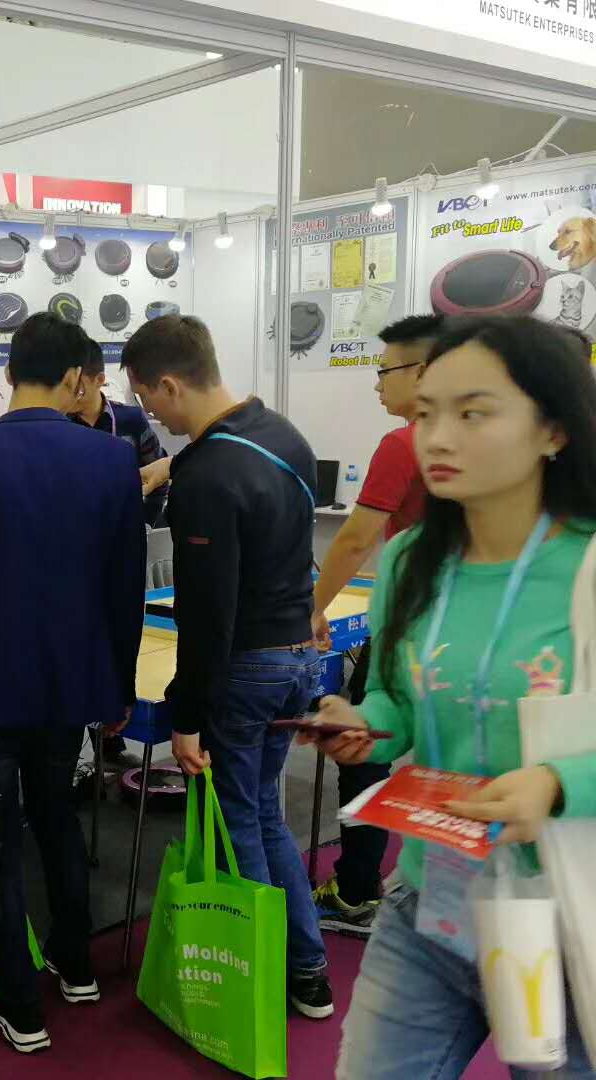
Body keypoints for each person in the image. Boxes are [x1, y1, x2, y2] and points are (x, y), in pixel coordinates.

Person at [308, 316, 596, 1079]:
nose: (437, 438)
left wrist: (559, 782)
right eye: (427, 413)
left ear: (554, 429)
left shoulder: (588, 564)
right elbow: (396, 699)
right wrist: (363, 723)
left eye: (473, 413)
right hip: (428, 899)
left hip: (566, 910)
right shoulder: (410, 559)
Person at [0, 313, 146, 1054]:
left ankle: (20, 1004)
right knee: (57, 820)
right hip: (69, 685)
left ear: (11, 371)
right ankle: (76, 965)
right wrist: (118, 688)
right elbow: (125, 590)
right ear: (77, 376)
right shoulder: (112, 460)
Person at [120, 314, 333, 1020]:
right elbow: (253, 493)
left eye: (147, 398)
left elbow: (208, 616)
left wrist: (185, 716)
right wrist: (174, 465)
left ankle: (262, 970)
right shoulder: (280, 434)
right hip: (298, 658)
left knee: (239, 820)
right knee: (264, 812)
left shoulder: (207, 478)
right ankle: (307, 968)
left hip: (246, 668)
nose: (151, 414)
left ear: (170, 384)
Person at [308, 314, 442, 936]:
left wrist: (313, 607)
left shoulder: (403, 443)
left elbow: (357, 537)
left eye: (385, 370)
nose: (377, 383)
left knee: (363, 752)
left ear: (424, 371)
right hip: (443, 626)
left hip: (414, 624)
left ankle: (357, 891)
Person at [71, 337, 170, 527]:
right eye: (66, 386)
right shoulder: (60, 425)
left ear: (99, 380)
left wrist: (146, 522)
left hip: (126, 528)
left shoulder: (132, 420)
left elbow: (160, 479)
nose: (71, 394)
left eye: (78, 387)